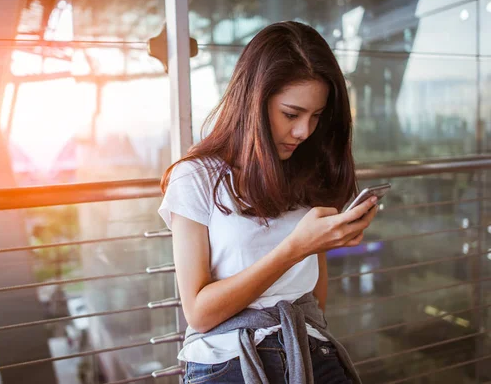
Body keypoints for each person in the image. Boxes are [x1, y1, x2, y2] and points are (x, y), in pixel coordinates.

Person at [158, 21, 378, 384]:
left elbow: (313, 299)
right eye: (291, 114)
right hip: (227, 358)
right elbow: (198, 312)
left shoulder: (307, 171)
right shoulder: (196, 178)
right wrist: (294, 248)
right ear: (253, 102)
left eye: (316, 117)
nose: (303, 132)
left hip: (309, 349)